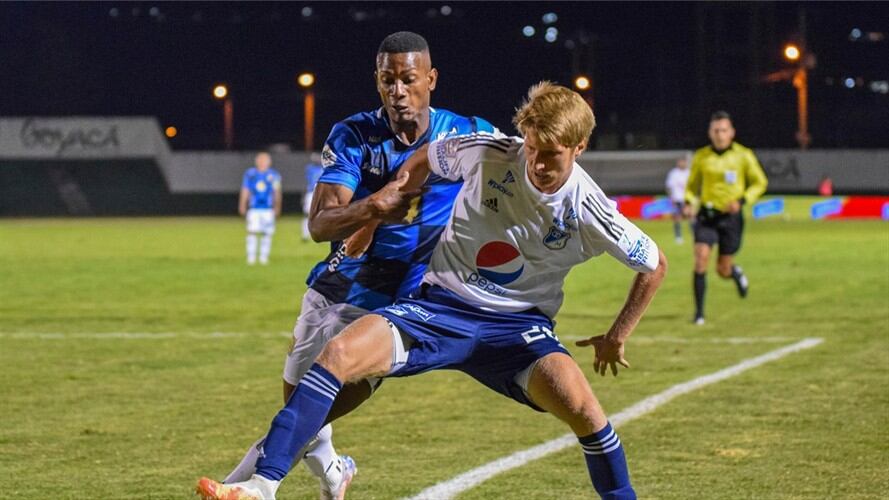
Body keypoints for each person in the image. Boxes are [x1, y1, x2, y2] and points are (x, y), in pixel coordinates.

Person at [196, 82, 667, 500]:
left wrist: (617, 335)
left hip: (518, 329)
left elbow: (654, 264)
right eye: (533, 147)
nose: (538, 162)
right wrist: (376, 216)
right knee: (338, 354)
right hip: (439, 306)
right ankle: (262, 485)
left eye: (552, 154)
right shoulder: (488, 151)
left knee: (587, 413)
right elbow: (424, 158)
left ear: (579, 147)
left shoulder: (591, 209)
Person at [200, 31, 497, 500]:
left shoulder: (466, 135)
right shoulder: (354, 134)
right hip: (333, 286)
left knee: (306, 411)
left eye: (408, 79)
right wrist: (375, 207)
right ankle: (335, 475)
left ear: (431, 80)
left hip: (397, 304)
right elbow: (320, 224)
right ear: (377, 83)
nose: (398, 91)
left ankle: (245, 489)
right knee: (301, 406)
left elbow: (527, 162)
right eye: (387, 80)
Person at [683, 111, 768, 325]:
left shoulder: (743, 155)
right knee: (701, 257)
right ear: (710, 133)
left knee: (722, 269)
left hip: (731, 218)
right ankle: (699, 313)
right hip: (707, 215)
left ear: (731, 133)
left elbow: (760, 183)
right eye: (716, 130)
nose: (720, 134)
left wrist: (742, 200)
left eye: (723, 130)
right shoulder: (701, 156)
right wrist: (688, 203)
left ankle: (735, 273)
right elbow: (692, 187)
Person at [239, 152, 282, 265]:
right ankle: (251, 258)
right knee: (252, 232)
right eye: (261, 160)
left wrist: (277, 207)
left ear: (269, 162)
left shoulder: (274, 175)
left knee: (267, 233)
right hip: (254, 208)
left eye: (265, 160)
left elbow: (276, 192)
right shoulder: (250, 174)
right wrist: (242, 204)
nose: (263, 163)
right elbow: (245, 190)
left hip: (268, 209)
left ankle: (264, 258)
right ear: (257, 162)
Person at [665, 156, 692, 244]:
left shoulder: (689, 173)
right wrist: (671, 197)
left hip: (687, 199)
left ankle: (694, 235)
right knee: (677, 218)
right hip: (677, 199)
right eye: (680, 162)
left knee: (690, 217)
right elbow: (669, 186)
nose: (681, 164)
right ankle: (678, 237)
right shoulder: (673, 173)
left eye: (683, 162)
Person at [302, 154, 324, 241]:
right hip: (311, 192)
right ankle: (305, 234)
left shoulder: (324, 168)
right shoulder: (310, 168)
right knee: (307, 214)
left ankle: (320, 233)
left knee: (322, 214)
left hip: (321, 193)